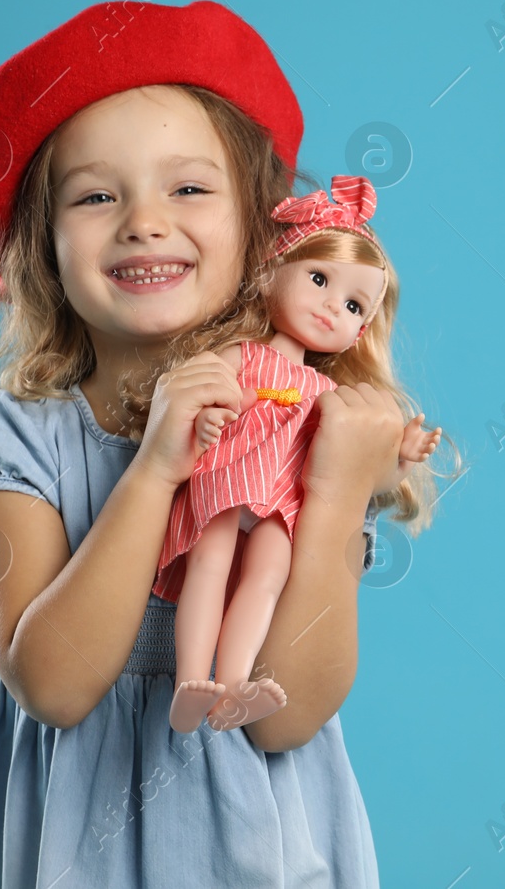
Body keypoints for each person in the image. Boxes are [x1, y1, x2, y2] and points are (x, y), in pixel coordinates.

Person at [0, 0, 402, 886]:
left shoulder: (309, 432)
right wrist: (156, 465)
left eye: (188, 187)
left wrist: (336, 494)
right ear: (42, 247)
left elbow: (287, 716)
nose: (144, 221)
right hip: (72, 849)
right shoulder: (11, 440)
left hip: (257, 845)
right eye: (97, 195)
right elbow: (56, 686)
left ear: (267, 235)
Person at [144, 174, 450, 734]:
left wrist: (400, 456)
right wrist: (207, 418)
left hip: (282, 498)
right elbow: (201, 398)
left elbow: (365, 475)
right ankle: (192, 680)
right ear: (268, 272)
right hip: (228, 476)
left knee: (267, 576)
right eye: (318, 279)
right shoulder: (243, 356)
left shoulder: (330, 396)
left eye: (355, 305)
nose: (334, 308)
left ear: (361, 332)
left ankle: (232, 685)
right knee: (207, 567)